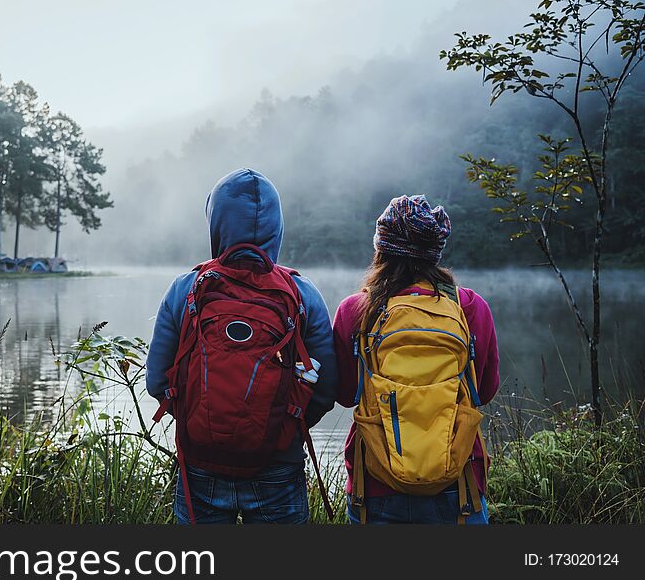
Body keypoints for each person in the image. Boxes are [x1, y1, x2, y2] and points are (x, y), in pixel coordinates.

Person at [146, 168, 339, 524]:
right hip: (278, 467)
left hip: (200, 464)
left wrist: (203, 423)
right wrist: (280, 427)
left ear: (216, 222)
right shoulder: (303, 294)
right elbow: (326, 389)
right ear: (276, 228)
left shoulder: (185, 288)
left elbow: (157, 382)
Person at [333, 194, 499, 524]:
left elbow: (343, 393)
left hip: (376, 483)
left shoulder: (355, 311)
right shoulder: (469, 308)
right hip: (457, 485)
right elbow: (485, 390)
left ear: (382, 249)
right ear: (434, 253)